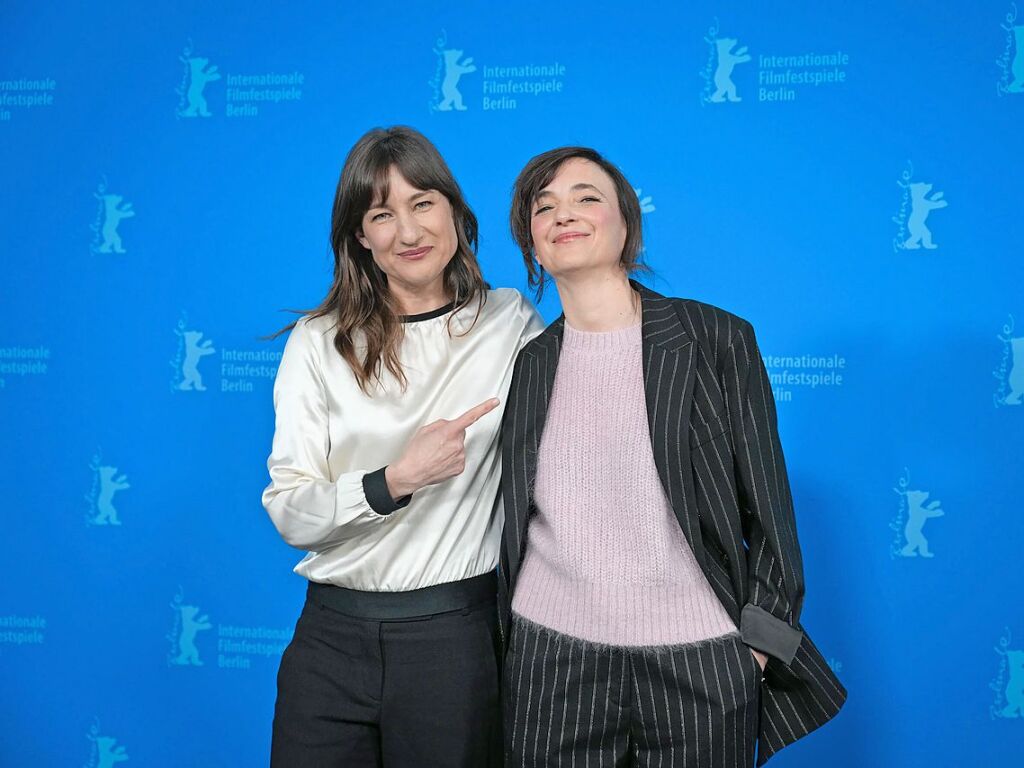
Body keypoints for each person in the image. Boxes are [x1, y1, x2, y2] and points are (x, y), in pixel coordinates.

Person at [497, 146, 846, 767]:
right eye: (543, 207)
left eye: (586, 197)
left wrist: (756, 651)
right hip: (552, 666)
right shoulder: (529, 364)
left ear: (626, 224)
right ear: (533, 244)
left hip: (701, 662)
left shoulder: (715, 339)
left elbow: (768, 509)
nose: (564, 214)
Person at [262, 125, 543, 767]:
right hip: (329, 642)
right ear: (361, 236)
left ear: (455, 212)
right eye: (382, 215)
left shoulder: (510, 323)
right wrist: (391, 481)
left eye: (423, 204)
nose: (409, 232)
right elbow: (290, 510)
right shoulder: (318, 340)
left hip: (455, 639)